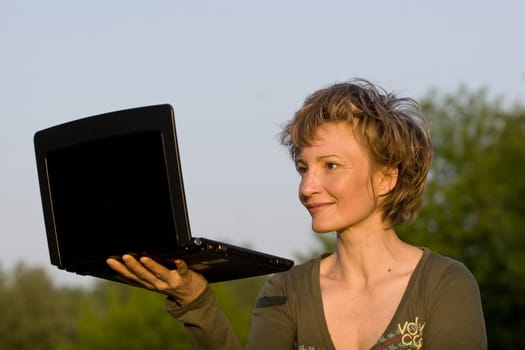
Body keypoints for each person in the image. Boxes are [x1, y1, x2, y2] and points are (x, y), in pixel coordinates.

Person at [107, 79, 487, 349]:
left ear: (386, 177)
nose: (307, 188)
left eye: (331, 166)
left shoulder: (444, 284)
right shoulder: (286, 291)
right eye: (304, 168)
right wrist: (195, 301)